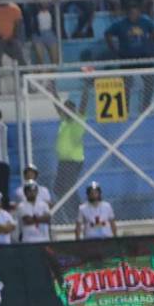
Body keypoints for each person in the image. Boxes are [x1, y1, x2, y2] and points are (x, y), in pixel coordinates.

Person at [52, 94, 90, 223]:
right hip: (63, 161)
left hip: (73, 161)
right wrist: (52, 92)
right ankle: (72, 213)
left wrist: (86, 90)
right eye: (65, 108)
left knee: (69, 188)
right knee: (58, 189)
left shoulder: (78, 121)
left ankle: (79, 214)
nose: (66, 111)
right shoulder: (64, 121)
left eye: (69, 109)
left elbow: (83, 107)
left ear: (74, 110)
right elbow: (57, 106)